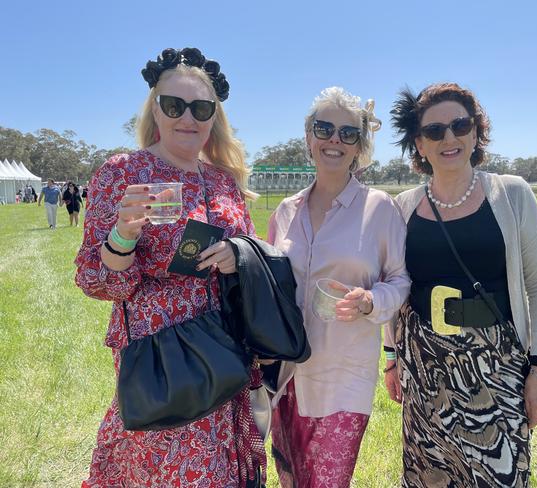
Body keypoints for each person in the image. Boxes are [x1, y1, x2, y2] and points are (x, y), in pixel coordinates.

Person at [75, 47, 266, 488]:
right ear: (155, 110)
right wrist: (123, 233)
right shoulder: (123, 171)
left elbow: (253, 247)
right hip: (160, 350)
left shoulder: (222, 179)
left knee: (219, 465)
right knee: (166, 466)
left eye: (201, 107)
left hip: (225, 343)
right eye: (174, 105)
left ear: (214, 115)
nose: (188, 117)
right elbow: (94, 280)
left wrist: (238, 254)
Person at [385, 82, 537, 487]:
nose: (449, 137)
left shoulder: (511, 194)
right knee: (431, 473)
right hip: (424, 364)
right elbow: (395, 284)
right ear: (420, 145)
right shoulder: (402, 207)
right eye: (435, 131)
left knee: (499, 473)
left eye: (460, 125)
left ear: (476, 132)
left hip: (495, 364)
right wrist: (391, 356)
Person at [267, 87, 411, 487]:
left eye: (348, 133)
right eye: (324, 128)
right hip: (286, 374)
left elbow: (400, 281)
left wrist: (370, 300)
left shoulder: (381, 209)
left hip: (343, 375)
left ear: (359, 145)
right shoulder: (285, 212)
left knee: (329, 481)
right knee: (291, 477)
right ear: (309, 136)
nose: (334, 139)